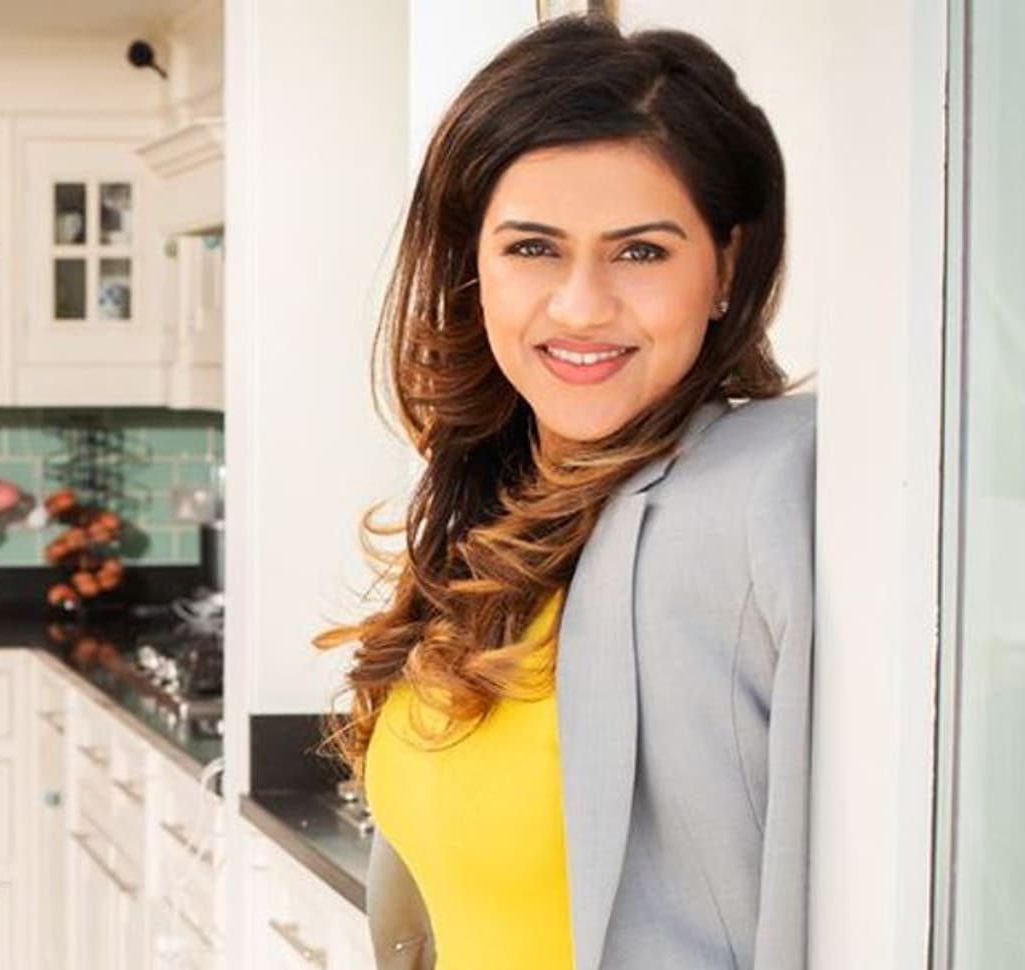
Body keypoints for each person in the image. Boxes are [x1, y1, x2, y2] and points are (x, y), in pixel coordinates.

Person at [315, 14, 815, 970]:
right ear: (472, 265)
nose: (582, 305)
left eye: (641, 252)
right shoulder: (498, 519)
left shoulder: (765, 490)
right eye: (533, 248)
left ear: (727, 264)